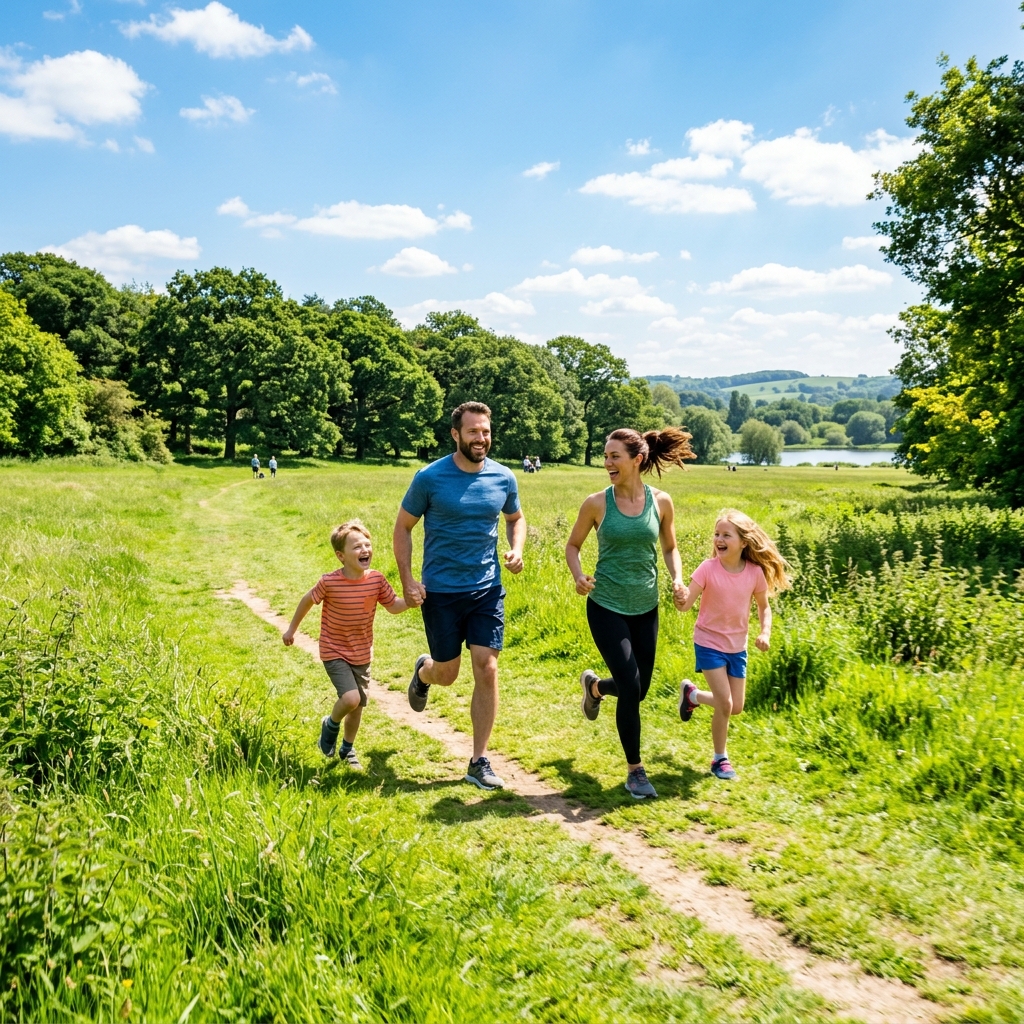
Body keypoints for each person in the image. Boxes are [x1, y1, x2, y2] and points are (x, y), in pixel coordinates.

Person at [394, 402, 526, 790]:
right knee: (447, 674)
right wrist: (407, 579)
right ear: (456, 434)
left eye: (485, 431)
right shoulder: (430, 478)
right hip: (442, 591)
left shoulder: (503, 477)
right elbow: (403, 527)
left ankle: (478, 760)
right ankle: (425, 672)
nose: (481, 438)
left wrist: (517, 548)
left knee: (487, 667)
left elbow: (515, 518)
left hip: (486, 588)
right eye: (473, 432)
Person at [565, 427, 695, 799]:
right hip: (606, 605)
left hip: (646, 606)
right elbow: (573, 546)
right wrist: (578, 576)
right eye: (606, 456)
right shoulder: (596, 503)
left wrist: (678, 579)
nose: (607, 463)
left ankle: (594, 687)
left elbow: (670, 547)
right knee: (631, 685)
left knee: (637, 690)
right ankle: (635, 770)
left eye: (614, 456)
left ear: (637, 459)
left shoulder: (662, 501)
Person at [283, 519, 409, 769]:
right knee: (351, 698)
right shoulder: (330, 582)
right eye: (357, 547)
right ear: (341, 556)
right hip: (333, 650)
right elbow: (308, 600)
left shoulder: (376, 580)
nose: (365, 550)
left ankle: (347, 749)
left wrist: (414, 601)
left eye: (367, 544)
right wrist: (291, 629)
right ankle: (330, 725)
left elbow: (393, 605)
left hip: (362, 652)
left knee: (358, 706)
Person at [676, 509, 791, 780]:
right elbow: (685, 606)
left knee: (735, 706)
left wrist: (765, 632)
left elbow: (764, 608)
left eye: (726, 535)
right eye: (717, 534)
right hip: (708, 642)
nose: (719, 539)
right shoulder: (707, 568)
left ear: (743, 542)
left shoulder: (754, 573)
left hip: (737, 647)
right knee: (725, 704)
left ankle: (691, 695)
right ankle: (720, 759)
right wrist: (680, 595)